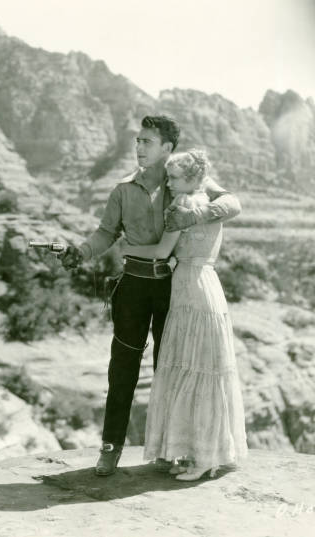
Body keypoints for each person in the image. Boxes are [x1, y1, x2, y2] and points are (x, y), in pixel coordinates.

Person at [59, 115, 241, 476]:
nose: (138, 147)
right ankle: (110, 449)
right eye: (137, 141)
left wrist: (202, 213)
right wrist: (80, 252)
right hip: (132, 287)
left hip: (173, 289)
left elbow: (233, 202)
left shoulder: (184, 183)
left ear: (167, 149)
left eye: (146, 141)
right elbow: (104, 233)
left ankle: (171, 449)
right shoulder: (123, 188)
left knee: (169, 369)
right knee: (122, 369)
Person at [115, 149, 247, 480]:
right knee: (207, 367)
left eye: (173, 178)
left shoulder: (182, 206)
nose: (169, 184)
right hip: (209, 284)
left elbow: (161, 251)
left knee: (193, 366)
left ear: (190, 178)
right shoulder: (205, 201)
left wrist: (126, 248)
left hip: (189, 286)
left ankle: (202, 459)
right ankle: (208, 453)